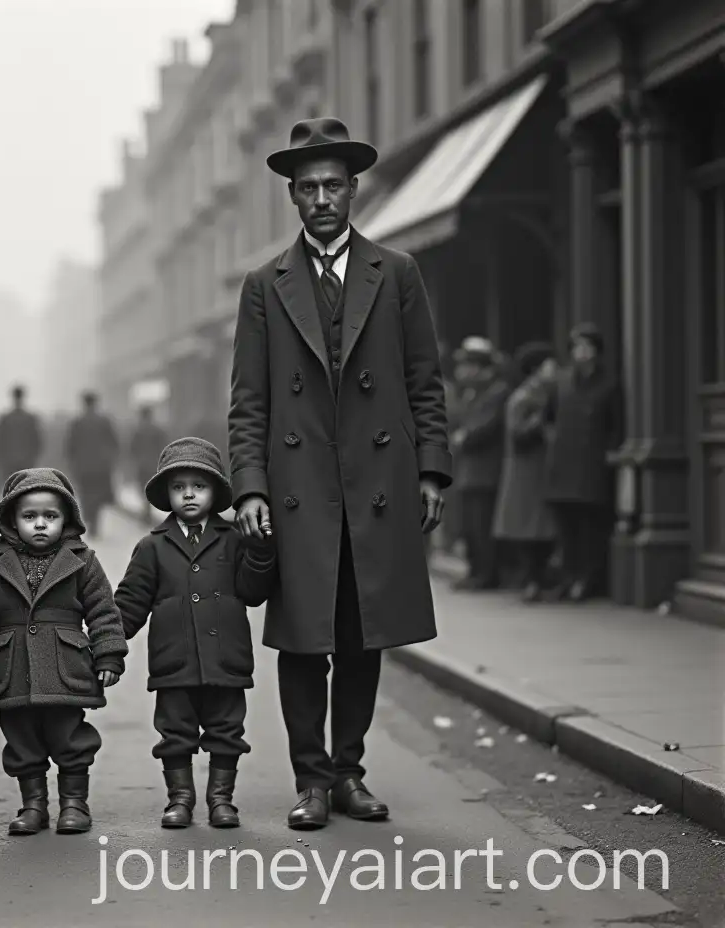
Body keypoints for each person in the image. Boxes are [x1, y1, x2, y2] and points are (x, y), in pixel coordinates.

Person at [228, 117, 452, 829]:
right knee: (302, 641)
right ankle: (311, 781)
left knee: (362, 635)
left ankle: (349, 773)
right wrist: (252, 489)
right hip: (298, 493)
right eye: (307, 189)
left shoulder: (399, 272)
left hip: (377, 486)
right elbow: (249, 401)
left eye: (333, 186)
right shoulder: (265, 285)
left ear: (354, 190)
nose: (321, 199)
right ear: (292, 197)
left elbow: (425, 382)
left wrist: (433, 473)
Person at [0, 468, 127, 836]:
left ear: (67, 518)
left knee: (70, 739)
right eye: (30, 517)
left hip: (66, 668)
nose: (40, 524)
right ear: (12, 519)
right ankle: (33, 805)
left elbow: (103, 610)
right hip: (14, 671)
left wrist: (109, 655)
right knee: (21, 740)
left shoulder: (82, 561)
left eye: (51, 516)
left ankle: (74, 803)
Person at [113, 438, 276, 829]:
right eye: (178, 487)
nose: (188, 495)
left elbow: (253, 593)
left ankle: (221, 799)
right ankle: (180, 799)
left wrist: (260, 552)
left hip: (226, 659)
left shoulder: (235, 539)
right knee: (175, 734)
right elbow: (130, 603)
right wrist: (107, 645)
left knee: (227, 732)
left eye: (198, 486)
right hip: (175, 662)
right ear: (166, 494)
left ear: (216, 492)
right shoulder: (151, 547)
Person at [544, 322, 620, 601]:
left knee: (590, 528)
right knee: (566, 528)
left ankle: (587, 580)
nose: (582, 353)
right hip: (563, 463)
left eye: (587, 347)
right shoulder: (561, 382)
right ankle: (568, 577)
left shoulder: (609, 384)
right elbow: (548, 419)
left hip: (591, 465)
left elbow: (615, 426)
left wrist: (608, 454)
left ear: (597, 352)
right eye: (577, 347)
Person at [491, 343, 559, 602]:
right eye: (549, 365)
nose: (554, 370)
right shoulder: (524, 398)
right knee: (529, 528)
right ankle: (531, 580)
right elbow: (517, 433)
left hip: (540, 470)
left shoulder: (547, 393)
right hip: (526, 471)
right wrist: (539, 420)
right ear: (536, 369)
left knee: (541, 528)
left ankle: (538, 579)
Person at [449, 337, 509, 590]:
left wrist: (464, 436)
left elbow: (487, 425)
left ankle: (486, 574)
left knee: (483, 525)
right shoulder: (470, 393)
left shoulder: (498, 392)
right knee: (471, 525)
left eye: (471, 365)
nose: (465, 371)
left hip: (486, 469)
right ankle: (474, 570)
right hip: (469, 470)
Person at [64, 391, 119, 537]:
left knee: (86, 492)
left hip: (83, 465)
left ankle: (89, 516)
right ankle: (94, 520)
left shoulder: (77, 422)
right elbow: (114, 442)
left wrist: (72, 462)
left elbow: (70, 445)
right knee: (98, 493)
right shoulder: (104, 421)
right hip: (101, 465)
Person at [0, 385, 43, 479]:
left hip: (9, 462)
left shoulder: (5, 418)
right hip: (26, 462)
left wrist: (1, 459)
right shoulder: (30, 418)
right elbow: (37, 442)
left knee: (11, 490)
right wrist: (33, 458)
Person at [128, 406, 168, 512]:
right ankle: (147, 508)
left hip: (142, 464)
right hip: (154, 463)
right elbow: (163, 446)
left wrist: (135, 459)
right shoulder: (158, 430)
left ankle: (146, 508)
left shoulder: (138, 431)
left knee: (143, 486)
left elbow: (132, 448)